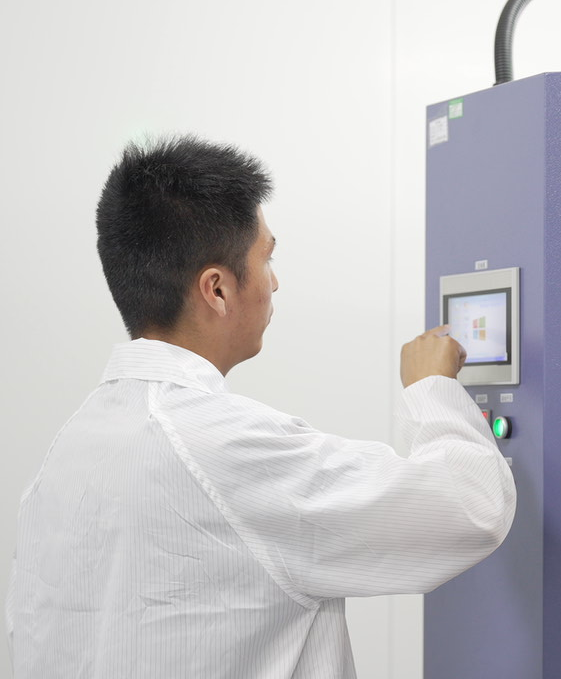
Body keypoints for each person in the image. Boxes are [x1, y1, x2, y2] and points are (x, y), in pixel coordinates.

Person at [4, 136, 516, 677]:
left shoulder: (66, 455)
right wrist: (431, 388)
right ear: (217, 290)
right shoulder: (229, 449)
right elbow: (471, 506)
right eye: (266, 257)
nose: (274, 281)